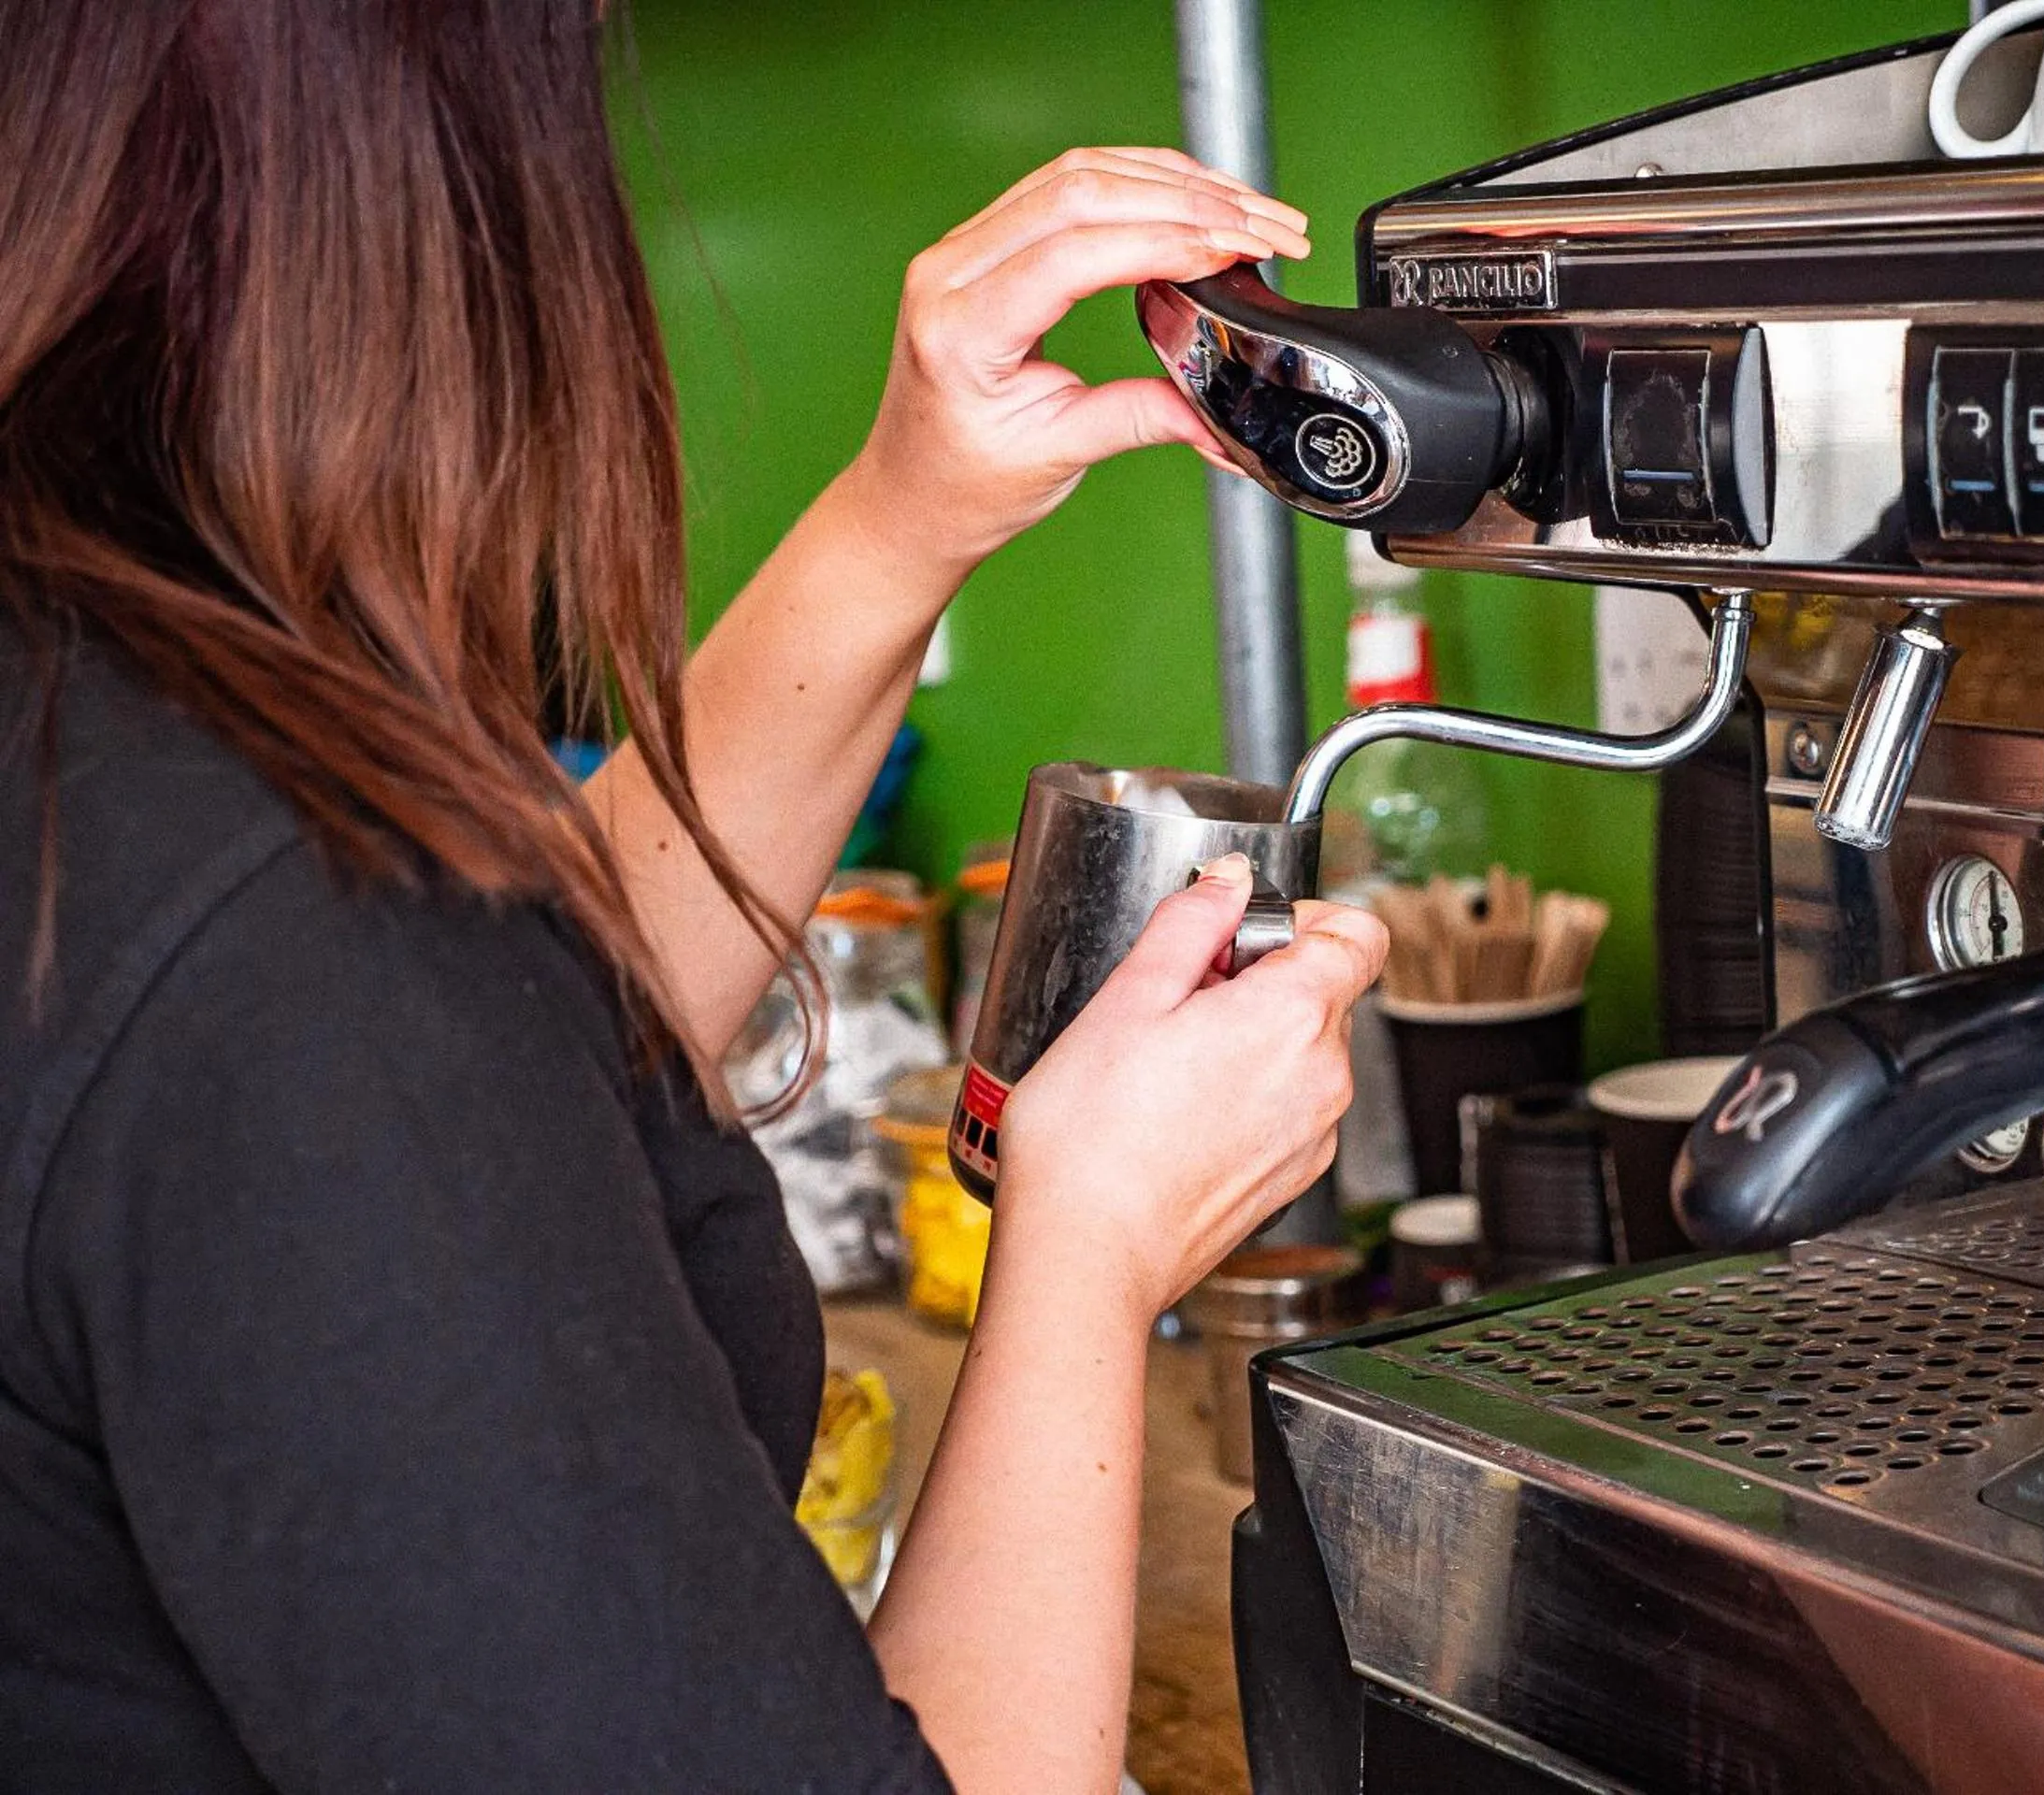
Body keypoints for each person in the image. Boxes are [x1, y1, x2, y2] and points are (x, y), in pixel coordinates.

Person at [0, 6, 1385, 1792]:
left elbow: (514, 1045)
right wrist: (1087, 1242)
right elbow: (359, 1048)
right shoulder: (275, 937)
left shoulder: (102, 746)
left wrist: (908, 511)